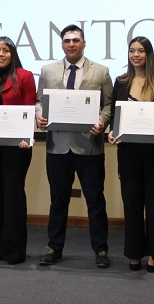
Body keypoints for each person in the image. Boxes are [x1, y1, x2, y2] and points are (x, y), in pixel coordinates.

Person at [35, 24, 114, 268]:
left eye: (76, 40)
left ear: (84, 43)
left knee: (95, 200)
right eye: (67, 40)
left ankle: (101, 250)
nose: (71, 44)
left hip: (89, 146)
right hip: (57, 146)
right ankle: (54, 248)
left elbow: (109, 105)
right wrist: (39, 115)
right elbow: (39, 101)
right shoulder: (48, 71)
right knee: (58, 201)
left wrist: (103, 121)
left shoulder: (100, 71)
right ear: (62, 44)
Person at [107, 36, 154, 272]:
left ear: (149, 54)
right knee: (132, 203)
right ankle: (134, 253)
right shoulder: (121, 82)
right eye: (132, 51)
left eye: (141, 51)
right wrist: (112, 133)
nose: (136, 55)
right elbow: (115, 117)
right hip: (129, 153)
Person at [0, 36, 35, 265]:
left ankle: (14, 250)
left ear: (13, 54)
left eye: (5, 50)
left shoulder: (25, 76)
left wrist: (26, 136)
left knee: (13, 195)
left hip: (17, 147)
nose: (0, 54)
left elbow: (29, 107)